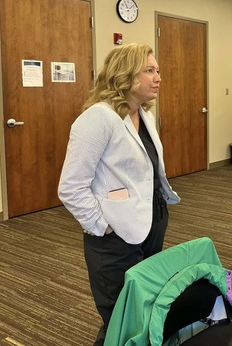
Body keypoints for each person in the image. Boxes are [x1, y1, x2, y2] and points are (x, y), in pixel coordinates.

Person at [58, 43, 180, 345]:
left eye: (158, 71)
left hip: (150, 222)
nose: (158, 77)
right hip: (113, 239)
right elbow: (70, 187)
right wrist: (103, 225)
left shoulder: (144, 116)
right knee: (120, 317)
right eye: (149, 71)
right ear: (125, 74)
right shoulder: (99, 118)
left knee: (144, 308)